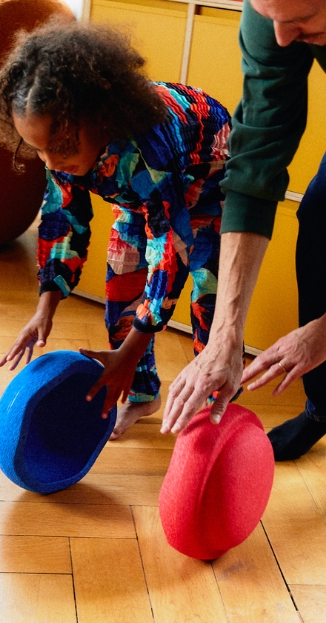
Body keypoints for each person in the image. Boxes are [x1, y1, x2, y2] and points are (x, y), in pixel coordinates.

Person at [0, 24, 231, 439]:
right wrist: (46, 306)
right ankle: (143, 394)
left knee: (209, 293)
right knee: (120, 289)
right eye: (36, 148)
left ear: (99, 117)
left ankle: (213, 408)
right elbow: (63, 219)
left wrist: (131, 352)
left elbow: (168, 247)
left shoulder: (149, 145)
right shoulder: (60, 153)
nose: (50, 160)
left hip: (206, 180)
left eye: (59, 146)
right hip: (143, 193)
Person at [162, 0, 326, 460]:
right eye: (271, 18)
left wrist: (321, 336)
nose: (280, 38)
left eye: (298, 22)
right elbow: (256, 163)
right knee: (318, 217)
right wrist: (224, 338)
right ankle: (323, 407)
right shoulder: (273, 16)